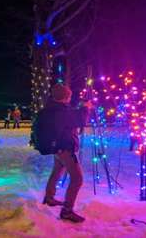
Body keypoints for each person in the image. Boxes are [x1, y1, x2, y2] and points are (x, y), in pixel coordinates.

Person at [43, 83, 90, 223]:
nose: (70, 98)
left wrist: (80, 109)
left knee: (57, 171)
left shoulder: (52, 108)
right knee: (77, 179)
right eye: (69, 95)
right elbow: (80, 120)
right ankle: (67, 211)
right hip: (65, 148)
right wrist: (86, 108)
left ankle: (49, 197)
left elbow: (70, 118)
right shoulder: (61, 111)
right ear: (65, 97)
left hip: (57, 147)